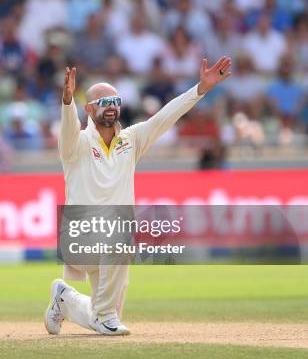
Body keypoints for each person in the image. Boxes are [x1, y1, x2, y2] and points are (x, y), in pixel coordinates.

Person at [45, 56, 232, 335]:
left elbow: (164, 118)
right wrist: (68, 102)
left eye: (116, 102)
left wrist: (200, 89)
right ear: (89, 108)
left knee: (102, 309)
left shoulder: (131, 140)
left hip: (111, 239)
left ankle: (64, 299)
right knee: (119, 244)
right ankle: (105, 315)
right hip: (81, 235)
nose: (111, 107)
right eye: (104, 102)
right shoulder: (76, 145)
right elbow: (69, 130)